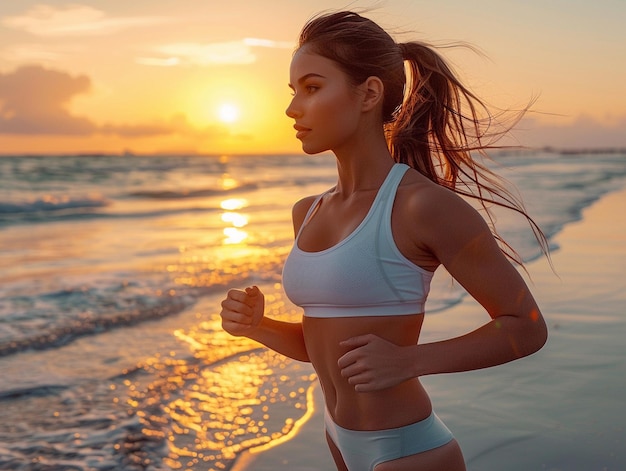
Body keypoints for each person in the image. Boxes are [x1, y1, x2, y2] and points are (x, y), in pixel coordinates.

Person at [220, 10, 548, 471]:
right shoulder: (307, 212)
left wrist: (410, 361)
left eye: (312, 88)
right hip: (338, 436)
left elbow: (527, 326)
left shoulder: (422, 207)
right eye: (293, 92)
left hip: (407, 450)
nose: (293, 108)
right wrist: (260, 327)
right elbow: (328, 352)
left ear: (369, 93)